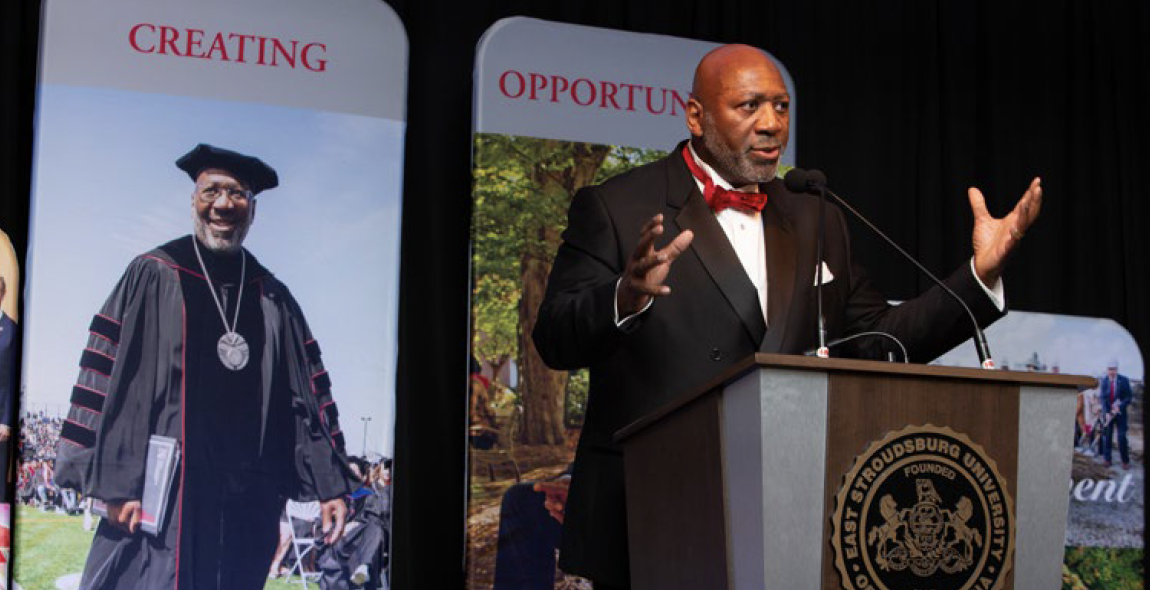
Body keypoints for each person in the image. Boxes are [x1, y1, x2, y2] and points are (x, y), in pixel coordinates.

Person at [532, 44, 1042, 588]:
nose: (772, 124)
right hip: (644, 519)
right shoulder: (616, 206)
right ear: (697, 116)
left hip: (781, 516)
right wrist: (623, 298)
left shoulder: (813, 212)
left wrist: (978, 276)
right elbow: (554, 338)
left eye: (780, 106)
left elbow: (878, 341)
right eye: (749, 106)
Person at [54, 144, 357, 590]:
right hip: (168, 490)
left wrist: (331, 484)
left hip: (249, 494)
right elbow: (113, 381)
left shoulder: (273, 296)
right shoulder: (154, 274)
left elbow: (307, 396)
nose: (222, 204)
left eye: (237, 194)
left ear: (253, 210)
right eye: (211, 191)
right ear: (194, 200)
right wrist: (118, 486)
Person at [1097, 359, 1132, 468]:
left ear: (1117, 369)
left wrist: (1119, 407)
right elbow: (1102, 398)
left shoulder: (1124, 380)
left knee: (1121, 437)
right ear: (1107, 370)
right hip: (1108, 414)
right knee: (1107, 436)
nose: (1111, 372)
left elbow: (1129, 397)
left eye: (1113, 369)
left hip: (1121, 414)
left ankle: (1125, 461)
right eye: (1109, 369)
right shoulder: (1104, 381)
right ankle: (1107, 460)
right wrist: (1107, 412)